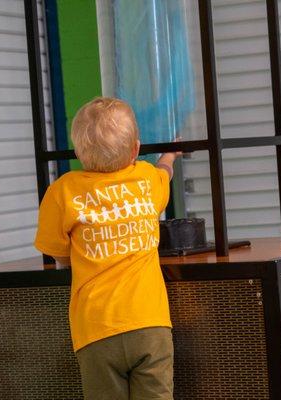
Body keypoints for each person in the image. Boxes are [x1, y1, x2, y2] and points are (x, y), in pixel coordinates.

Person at [34, 97, 180, 400]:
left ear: (78, 152)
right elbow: (164, 172)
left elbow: (58, 253)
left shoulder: (63, 191)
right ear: (136, 150)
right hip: (150, 323)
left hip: (96, 329)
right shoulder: (145, 179)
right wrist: (170, 155)